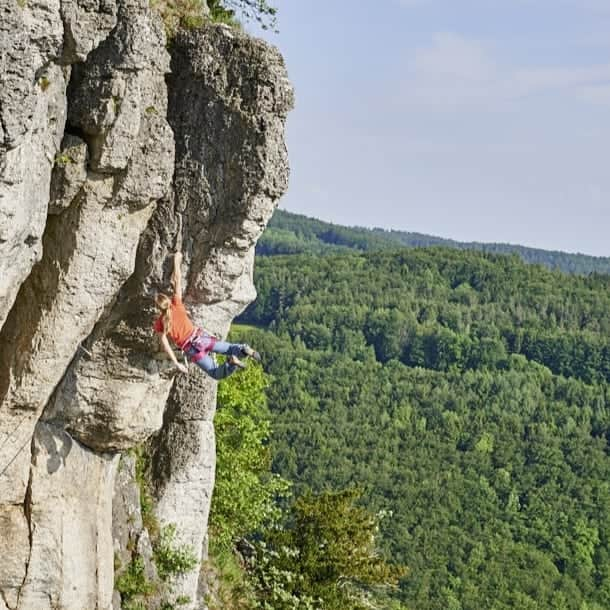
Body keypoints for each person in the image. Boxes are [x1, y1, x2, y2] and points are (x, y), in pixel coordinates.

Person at [154, 252, 261, 380]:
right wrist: (177, 261)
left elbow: (165, 346)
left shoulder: (160, 324)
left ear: (158, 308)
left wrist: (177, 364)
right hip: (200, 337)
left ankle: (231, 363)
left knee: (216, 373)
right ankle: (244, 349)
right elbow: (177, 280)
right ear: (168, 300)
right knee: (229, 348)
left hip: (191, 348)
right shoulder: (176, 304)